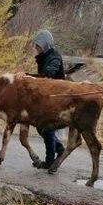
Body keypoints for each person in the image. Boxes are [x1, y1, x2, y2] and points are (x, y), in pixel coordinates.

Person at [31, 29, 65, 169]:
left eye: (38, 46)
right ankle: (60, 149)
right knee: (40, 128)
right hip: (48, 99)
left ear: (45, 45)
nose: (36, 48)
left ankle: (49, 161)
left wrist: (27, 77)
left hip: (57, 99)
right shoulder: (44, 57)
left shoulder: (55, 57)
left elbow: (48, 75)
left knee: (48, 128)